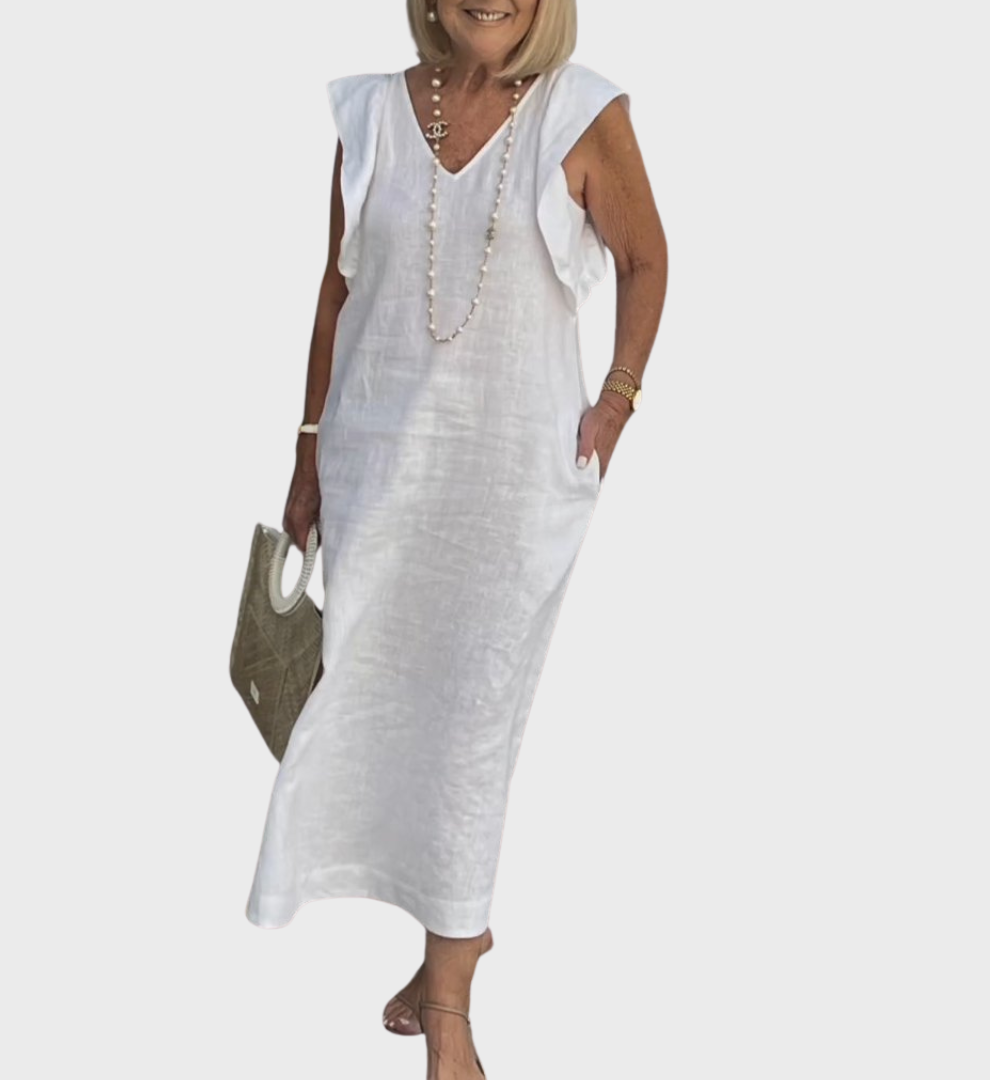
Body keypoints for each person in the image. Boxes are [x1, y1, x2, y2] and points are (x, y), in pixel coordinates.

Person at [246, 1, 667, 1075]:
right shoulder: (370, 116)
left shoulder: (581, 111)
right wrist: (306, 450)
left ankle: (449, 1006)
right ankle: (456, 936)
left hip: (507, 493)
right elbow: (337, 293)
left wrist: (615, 401)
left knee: (470, 731)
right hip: (375, 472)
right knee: (372, 716)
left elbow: (647, 259)